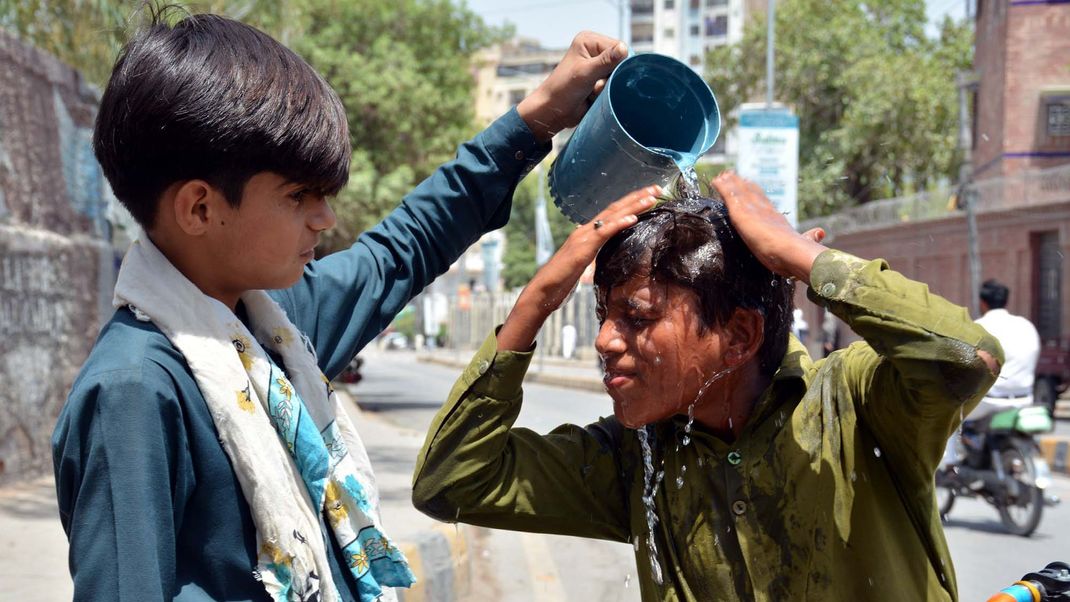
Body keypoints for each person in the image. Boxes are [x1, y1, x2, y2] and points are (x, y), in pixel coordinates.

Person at [50, 10, 628, 601]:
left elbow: (404, 246)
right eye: (298, 195)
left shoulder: (275, 330)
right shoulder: (135, 391)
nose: (324, 218)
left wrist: (538, 118)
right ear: (200, 209)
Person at [411, 172, 1002, 601]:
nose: (605, 342)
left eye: (637, 317)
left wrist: (799, 257)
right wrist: (536, 301)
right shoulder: (636, 456)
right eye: (603, 316)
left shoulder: (855, 405)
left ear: (740, 335)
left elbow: (966, 358)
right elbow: (452, 483)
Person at [970, 278, 1041, 417]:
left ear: (982, 303)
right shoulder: (1026, 325)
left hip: (990, 402)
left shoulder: (979, 327)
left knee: (949, 420)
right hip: (1025, 400)